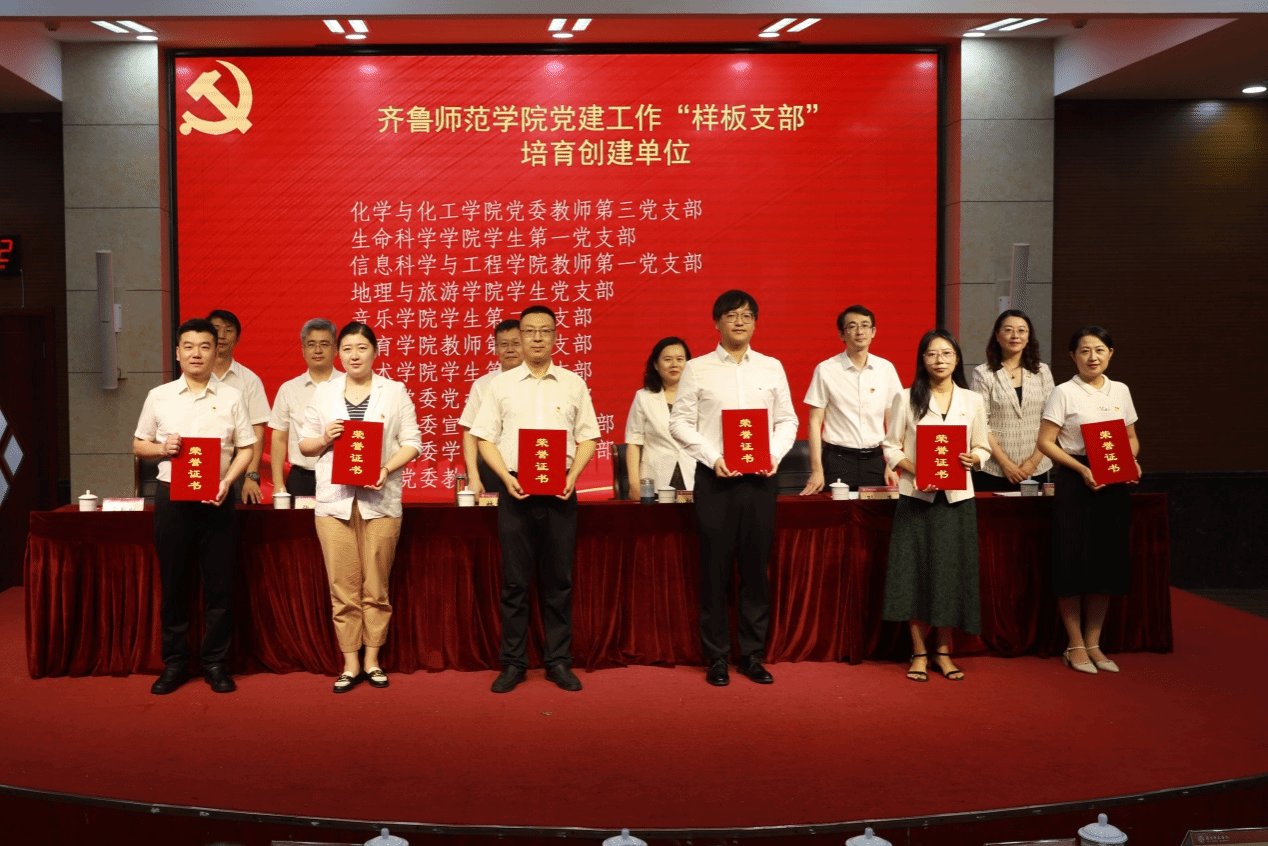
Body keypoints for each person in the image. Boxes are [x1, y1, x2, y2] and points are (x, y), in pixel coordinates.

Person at [669, 290, 798, 687]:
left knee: (756, 572)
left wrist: (773, 455)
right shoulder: (697, 369)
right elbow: (679, 422)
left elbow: (787, 420)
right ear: (717, 323)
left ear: (755, 323)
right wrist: (712, 457)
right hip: (716, 481)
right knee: (715, 571)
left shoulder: (772, 367)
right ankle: (717, 657)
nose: (739, 321)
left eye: (746, 315)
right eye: (731, 315)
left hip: (760, 481)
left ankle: (752, 655)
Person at [471, 305, 600, 694]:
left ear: (556, 336)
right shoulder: (500, 385)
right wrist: (505, 477)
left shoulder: (573, 383)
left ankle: (558, 661)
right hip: (516, 493)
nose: (538, 338)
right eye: (530, 331)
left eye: (545, 331)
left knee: (559, 581)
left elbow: (588, 436)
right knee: (514, 582)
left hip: (560, 493)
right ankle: (513, 663)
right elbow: (484, 438)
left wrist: (572, 477)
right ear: (521, 337)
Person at [133, 318, 256, 695]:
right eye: (188, 346)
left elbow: (246, 447)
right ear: (177, 353)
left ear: (216, 351)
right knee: (174, 584)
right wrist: (162, 448)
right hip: (172, 497)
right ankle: (175, 663)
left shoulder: (232, 397)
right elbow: (139, 445)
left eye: (205, 346)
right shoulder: (159, 396)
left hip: (217, 497)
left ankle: (216, 663)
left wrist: (228, 482)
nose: (196, 353)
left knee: (219, 585)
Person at [298, 321, 422, 693]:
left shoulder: (394, 391)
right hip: (334, 504)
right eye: (348, 348)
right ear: (339, 353)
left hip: (379, 501)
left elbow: (412, 442)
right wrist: (324, 437)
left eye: (362, 348)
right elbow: (304, 446)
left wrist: (386, 468)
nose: (354, 355)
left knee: (376, 587)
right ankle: (350, 662)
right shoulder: (323, 393)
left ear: (375, 352)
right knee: (343, 587)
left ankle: (373, 659)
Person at [881, 329, 991, 683]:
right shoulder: (906, 397)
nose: (939, 360)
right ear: (922, 360)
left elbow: (983, 446)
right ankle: (918, 652)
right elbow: (891, 445)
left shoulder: (972, 400)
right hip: (918, 500)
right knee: (915, 574)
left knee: (951, 575)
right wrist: (916, 468)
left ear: (957, 359)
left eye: (946, 353)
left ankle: (943, 652)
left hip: (957, 501)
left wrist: (975, 458)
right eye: (931, 354)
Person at [1036, 326, 1141, 675]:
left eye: (1099, 350)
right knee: (1071, 560)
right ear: (1073, 356)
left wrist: (1131, 460)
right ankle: (1075, 644)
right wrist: (1081, 469)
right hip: (1075, 479)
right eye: (1084, 350)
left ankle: (1094, 643)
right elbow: (1046, 442)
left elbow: (1130, 437)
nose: (1092, 357)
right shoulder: (1064, 392)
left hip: (1112, 481)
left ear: (1110, 353)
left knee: (1105, 563)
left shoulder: (1120, 390)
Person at [800, 304, 903, 494]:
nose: (859, 331)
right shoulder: (826, 369)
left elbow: (894, 420)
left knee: (876, 513)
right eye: (852, 326)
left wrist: (892, 463)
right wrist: (817, 470)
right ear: (842, 334)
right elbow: (814, 422)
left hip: (875, 460)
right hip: (837, 460)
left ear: (873, 332)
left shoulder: (885, 369)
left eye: (865, 326)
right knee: (836, 511)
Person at [969, 309, 1055, 491]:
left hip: (1037, 465)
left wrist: (1033, 462)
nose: (1015, 336)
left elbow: (1050, 420)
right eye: (1008, 330)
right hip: (994, 468)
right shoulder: (983, 374)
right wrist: (1005, 464)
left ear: (1029, 336)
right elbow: (981, 424)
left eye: (1022, 330)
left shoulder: (1042, 371)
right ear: (997, 335)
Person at [269, 318, 342, 498]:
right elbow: (279, 439)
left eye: (324, 344)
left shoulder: (348, 385)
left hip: (339, 476)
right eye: (311, 344)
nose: (317, 350)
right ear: (303, 350)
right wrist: (278, 484)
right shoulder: (289, 389)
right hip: (300, 477)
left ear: (335, 349)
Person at [207, 309, 271, 504]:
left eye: (228, 330)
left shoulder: (250, 380)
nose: (221, 335)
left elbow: (257, 431)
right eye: (216, 329)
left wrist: (251, 475)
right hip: (201, 457)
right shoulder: (193, 377)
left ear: (237, 339)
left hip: (239, 460)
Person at [624, 336, 694, 498]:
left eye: (680, 359)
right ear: (656, 364)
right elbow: (634, 442)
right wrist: (634, 484)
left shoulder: (699, 396)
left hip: (694, 477)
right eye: (667, 359)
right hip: (655, 481)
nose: (674, 364)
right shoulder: (644, 397)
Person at [458, 318, 521, 496]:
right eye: (504, 344)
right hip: (492, 468)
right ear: (496, 348)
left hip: (533, 465)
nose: (510, 349)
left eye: (516, 343)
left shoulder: (540, 382)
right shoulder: (483, 385)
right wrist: (473, 477)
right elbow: (470, 431)